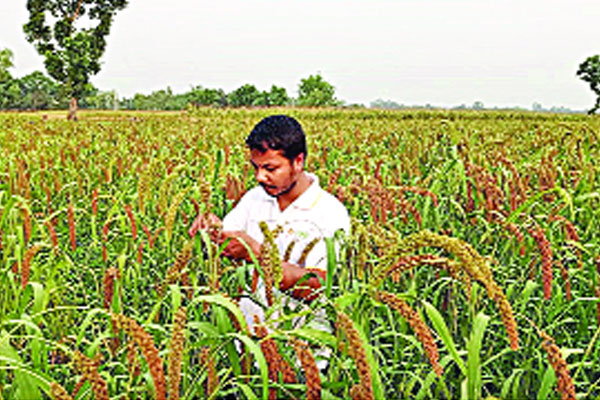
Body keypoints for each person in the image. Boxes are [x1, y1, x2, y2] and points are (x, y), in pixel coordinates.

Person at [189, 114, 350, 327]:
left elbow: (319, 286)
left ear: (298, 162)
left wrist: (257, 253)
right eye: (256, 167)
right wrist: (210, 230)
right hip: (252, 340)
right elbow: (227, 243)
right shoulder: (255, 197)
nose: (259, 177)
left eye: (270, 168)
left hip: (303, 347)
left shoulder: (329, 212)